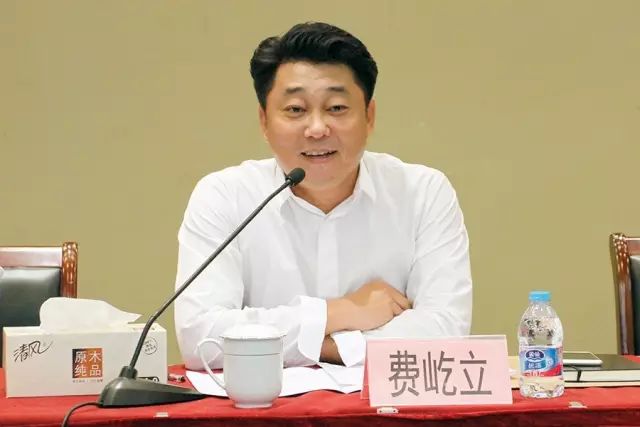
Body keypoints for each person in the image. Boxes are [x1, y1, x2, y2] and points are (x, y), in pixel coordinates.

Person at [174, 22, 472, 369]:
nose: (317, 129)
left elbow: (445, 330)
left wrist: (326, 345)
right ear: (264, 122)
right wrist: (339, 312)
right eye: (295, 110)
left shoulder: (422, 193)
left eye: (336, 108)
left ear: (369, 116)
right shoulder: (224, 196)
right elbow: (201, 339)